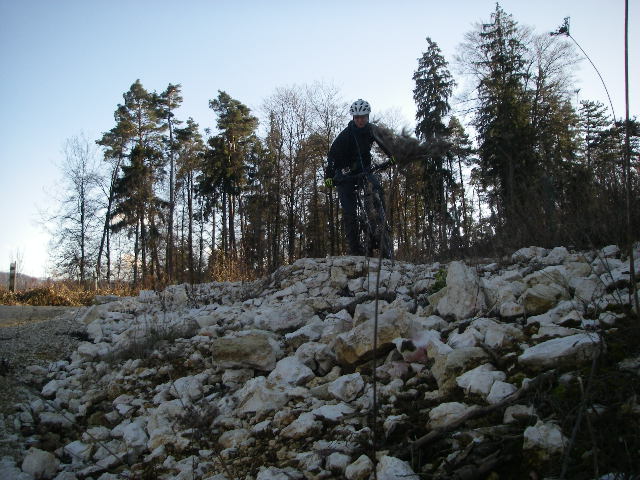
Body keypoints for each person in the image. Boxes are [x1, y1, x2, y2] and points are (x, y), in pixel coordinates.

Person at [324, 99, 394, 256]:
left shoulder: (372, 130)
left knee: (376, 188)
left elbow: (385, 143)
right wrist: (329, 175)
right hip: (344, 174)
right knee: (349, 212)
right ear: (353, 118)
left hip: (364, 169)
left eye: (363, 117)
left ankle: (381, 221)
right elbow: (332, 157)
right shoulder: (345, 135)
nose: (360, 120)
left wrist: (393, 155)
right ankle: (355, 249)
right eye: (357, 117)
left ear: (368, 116)